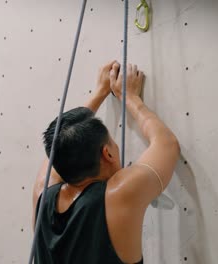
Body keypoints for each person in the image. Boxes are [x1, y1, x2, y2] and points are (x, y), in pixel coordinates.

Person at [32, 61, 180, 264]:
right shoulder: (117, 194)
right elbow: (166, 144)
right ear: (107, 154)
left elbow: (60, 147)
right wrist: (131, 98)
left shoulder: (42, 196)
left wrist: (99, 93)